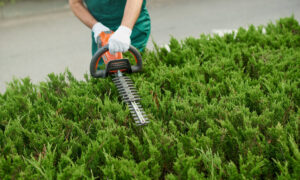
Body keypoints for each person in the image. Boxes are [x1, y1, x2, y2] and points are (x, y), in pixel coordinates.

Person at [69, 0, 151, 57]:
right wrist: (96, 26)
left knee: (131, 66)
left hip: (132, 25)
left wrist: (125, 30)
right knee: (103, 70)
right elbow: (75, 3)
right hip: (102, 31)